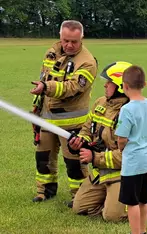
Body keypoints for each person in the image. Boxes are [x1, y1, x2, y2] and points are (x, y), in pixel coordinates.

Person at [30, 20, 97, 205]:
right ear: (60, 36)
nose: (69, 45)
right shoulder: (52, 51)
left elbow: (73, 87)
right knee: (43, 158)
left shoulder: (87, 62)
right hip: (46, 118)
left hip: (71, 122)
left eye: (74, 41)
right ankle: (45, 191)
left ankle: (80, 197)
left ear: (81, 38)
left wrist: (46, 87)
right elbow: (44, 75)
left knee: (74, 164)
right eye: (65, 40)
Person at [68, 61, 132, 221]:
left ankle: (145, 200)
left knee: (112, 216)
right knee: (79, 208)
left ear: (120, 87)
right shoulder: (100, 103)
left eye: (109, 82)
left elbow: (127, 156)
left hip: (122, 175)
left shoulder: (130, 112)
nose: (105, 86)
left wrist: (94, 158)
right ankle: (111, 200)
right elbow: (87, 129)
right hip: (101, 173)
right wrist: (80, 141)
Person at [115, 65, 147, 234]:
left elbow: (122, 138)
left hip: (133, 163)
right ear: (144, 84)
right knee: (143, 200)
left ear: (124, 86)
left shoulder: (126, 109)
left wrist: (120, 147)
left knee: (131, 202)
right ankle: (143, 230)